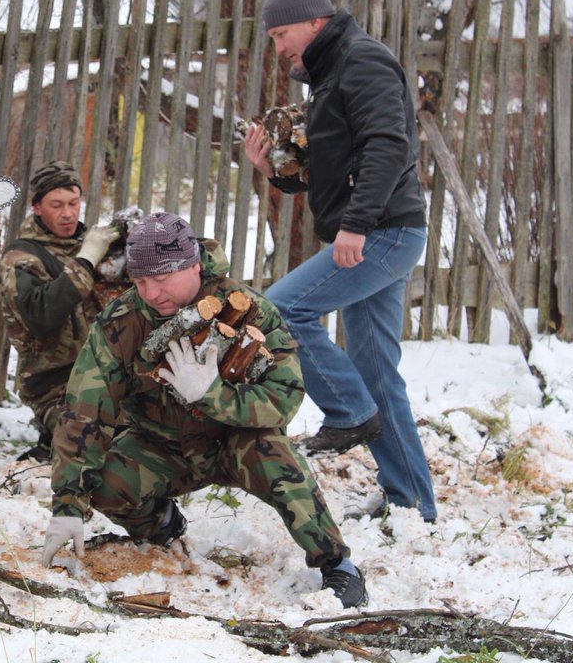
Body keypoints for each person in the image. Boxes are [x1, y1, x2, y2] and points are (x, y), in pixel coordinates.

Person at [42, 212, 368, 608]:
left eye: (161, 280)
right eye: (140, 281)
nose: (150, 293)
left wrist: (212, 394)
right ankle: (161, 525)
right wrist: (67, 504)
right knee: (108, 482)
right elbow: (84, 411)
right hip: (162, 447)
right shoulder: (122, 323)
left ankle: (337, 564)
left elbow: (285, 397)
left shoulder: (246, 308)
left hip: (235, 441)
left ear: (194, 265)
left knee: (278, 458)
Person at [243, 0, 435, 522]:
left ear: (314, 22)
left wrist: (356, 224)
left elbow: (388, 145)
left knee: (279, 310)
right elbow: (336, 169)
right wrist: (273, 173)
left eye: (282, 34)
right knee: (376, 373)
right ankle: (412, 503)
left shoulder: (362, 61)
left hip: (382, 233)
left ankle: (349, 412)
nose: (279, 47)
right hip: (377, 230)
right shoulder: (331, 74)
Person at [0, 161, 120, 460]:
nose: (67, 213)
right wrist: (86, 260)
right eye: (56, 205)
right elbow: (42, 317)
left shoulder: (91, 242)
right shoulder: (21, 257)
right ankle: (52, 440)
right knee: (90, 439)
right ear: (37, 207)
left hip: (106, 374)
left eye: (74, 203)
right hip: (53, 384)